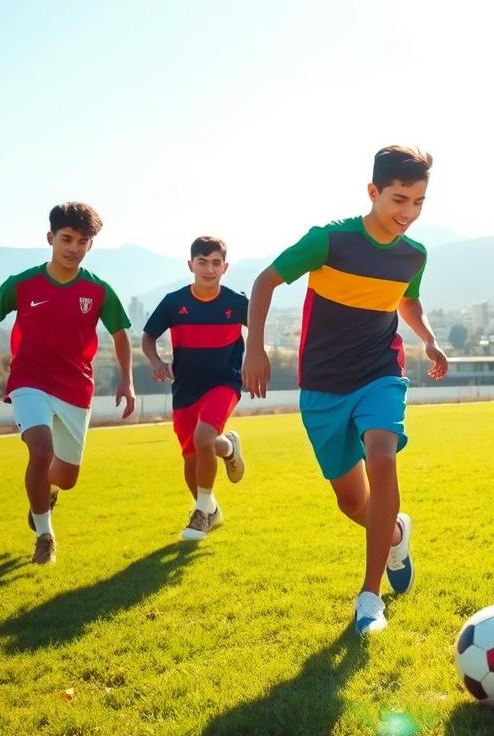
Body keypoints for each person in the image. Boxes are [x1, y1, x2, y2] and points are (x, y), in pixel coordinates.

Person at [241, 146, 449, 635]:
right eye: (399, 199)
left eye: (419, 202)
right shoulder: (328, 241)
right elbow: (265, 282)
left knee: (382, 456)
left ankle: (369, 598)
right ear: (373, 192)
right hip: (323, 384)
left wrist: (428, 339)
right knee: (352, 502)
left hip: (380, 371)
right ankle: (395, 532)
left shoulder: (414, 255)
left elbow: (407, 300)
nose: (409, 212)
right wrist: (255, 350)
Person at [0, 203, 134, 565]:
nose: (73, 248)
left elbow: (120, 335)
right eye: (67, 239)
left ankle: (45, 492)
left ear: (90, 244)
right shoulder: (22, 283)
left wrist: (127, 381)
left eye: (82, 241)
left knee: (66, 478)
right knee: (40, 450)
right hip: (29, 380)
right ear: (51, 238)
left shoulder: (99, 290)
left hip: (76, 388)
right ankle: (44, 537)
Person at [142, 236, 249, 541]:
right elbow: (148, 337)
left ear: (225, 267)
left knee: (203, 437)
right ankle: (216, 488)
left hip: (224, 382)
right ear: (190, 265)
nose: (209, 269)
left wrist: (257, 357)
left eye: (216, 262)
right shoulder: (174, 302)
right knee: (192, 457)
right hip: (186, 387)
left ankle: (200, 513)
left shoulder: (237, 303)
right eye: (202, 262)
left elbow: (257, 327)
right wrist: (156, 361)